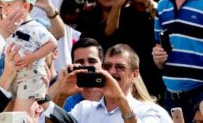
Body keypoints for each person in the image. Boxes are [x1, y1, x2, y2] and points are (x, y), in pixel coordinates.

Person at [42, 44, 173, 123]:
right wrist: (62, 95)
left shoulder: (150, 111)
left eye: (120, 67)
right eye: (107, 66)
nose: (112, 72)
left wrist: (120, 99)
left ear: (135, 74)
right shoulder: (84, 109)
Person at [152, 0, 203, 123]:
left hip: (200, 98)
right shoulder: (163, 5)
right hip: (170, 99)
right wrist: (158, 57)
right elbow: (160, 57)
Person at [0, 0, 57, 113]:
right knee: (6, 115)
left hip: (31, 75)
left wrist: (33, 57)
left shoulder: (34, 27)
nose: (4, 9)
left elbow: (52, 43)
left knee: (19, 115)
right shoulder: (10, 26)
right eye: (3, 4)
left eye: (9, 4)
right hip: (14, 75)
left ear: (25, 6)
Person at [48, 38, 103, 112]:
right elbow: (42, 114)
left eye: (91, 61)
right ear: (73, 65)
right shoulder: (65, 101)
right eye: (80, 62)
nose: (86, 66)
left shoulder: (112, 96)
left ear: (102, 64)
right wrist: (59, 82)